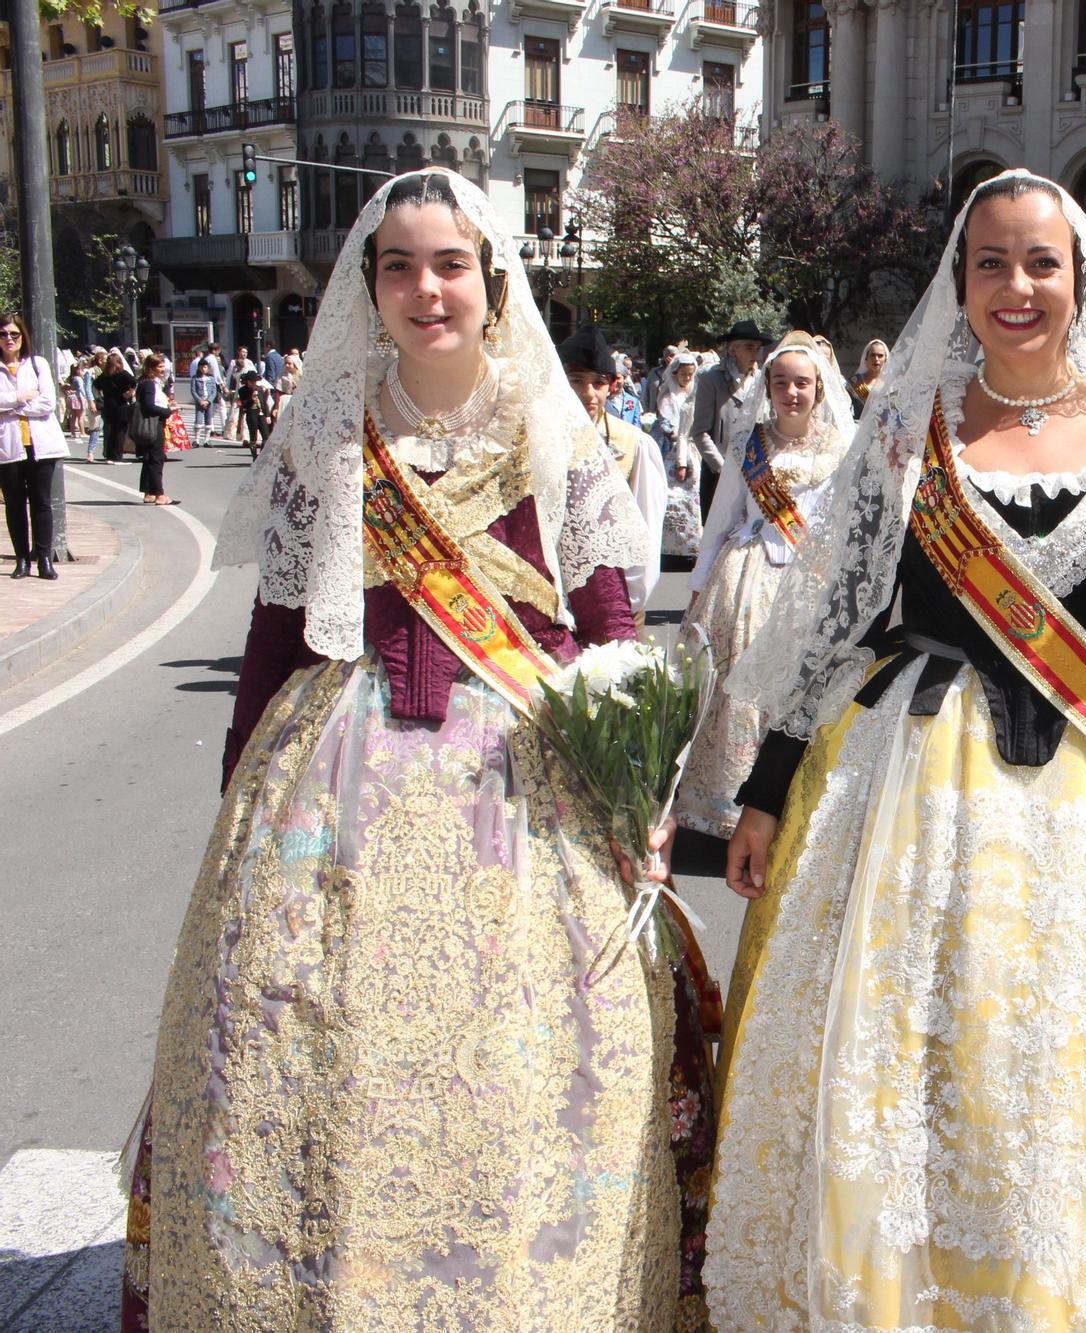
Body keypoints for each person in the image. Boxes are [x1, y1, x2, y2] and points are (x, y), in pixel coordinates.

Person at [706, 170, 1086, 1330]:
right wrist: (768, 791)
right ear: (959, 280)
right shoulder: (901, 429)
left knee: (1085, 1081)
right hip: (914, 796)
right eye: (989, 262)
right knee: (918, 1070)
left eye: (1040, 262)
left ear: (1079, 278)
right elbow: (832, 620)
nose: (1016, 285)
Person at [119, 168, 711, 1331]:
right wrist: (241, 785)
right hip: (337, 776)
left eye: (449, 265)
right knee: (314, 1048)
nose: (425, 288)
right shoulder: (327, 436)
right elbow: (276, 634)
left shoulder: (555, 431)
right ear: (370, 286)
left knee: (517, 1060)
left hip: (524, 784)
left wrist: (640, 782)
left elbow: (610, 631)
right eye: (400, 266)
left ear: (492, 286)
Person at [674, 331, 855, 846]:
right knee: (735, 692)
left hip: (805, 582)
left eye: (802, 383)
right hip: (743, 580)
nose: (792, 392)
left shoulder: (842, 448)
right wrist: (697, 585)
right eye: (782, 382)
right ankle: (728, 808)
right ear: (769, 387)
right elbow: (721, 519)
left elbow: (843, 525)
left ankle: (787, 799)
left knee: (792, 690)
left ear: (819, 387)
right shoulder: (748, 445)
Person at [560, 323, 668, 611]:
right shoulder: (540, 440)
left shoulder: (634, 443)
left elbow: (647, 526)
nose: (589, 394)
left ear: (611, 386)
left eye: (598, 383)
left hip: (614, 597)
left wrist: (628, 602)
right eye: (577, 381)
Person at [0, 312, 71, 580]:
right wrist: (21, 397)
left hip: (40, 445)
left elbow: (48, 403)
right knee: (14, 505)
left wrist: (11, 406)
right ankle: (21, 559)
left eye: (14, 334)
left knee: (42, 504)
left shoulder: (38, 364)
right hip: (8, 446)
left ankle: (43, 559)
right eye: (4, 334)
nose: (9, 339)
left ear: (23, 336)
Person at [689, 319, 771, 517]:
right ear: (733, 350)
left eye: (758, 348)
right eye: (749, 347)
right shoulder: (711, 380)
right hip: (720, 471)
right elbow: (700, 432)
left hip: (755, 470)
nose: (755, 354)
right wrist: (722, 468)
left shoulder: (763, 380)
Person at [653, 349, 705, 561]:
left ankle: (692, 544)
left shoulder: (694, 393)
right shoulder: (668, 396)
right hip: (674, 450)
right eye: (683, 374)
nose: (687, 378)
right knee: (674, 496)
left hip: (693, 449)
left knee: (693, 498)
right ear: (675, 373)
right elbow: (667, 422)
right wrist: (676, 434)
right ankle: (670, 544)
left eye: (691, 374)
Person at [131, 353, 177, 505]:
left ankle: (149, 492)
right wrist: (167, 411)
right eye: (160, 366)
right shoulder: (149, 384)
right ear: (151, 368)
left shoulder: (147, 382)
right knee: (156, 459)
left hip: (151, 423)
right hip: (153, 424)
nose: (163, 369)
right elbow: (149, 406)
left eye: (163, 366)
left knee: (149, 459)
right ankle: (159, 494)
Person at [95, 350, 135, 463]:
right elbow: (134, 381)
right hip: (121, 404)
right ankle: (117, 456)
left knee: (111, 431)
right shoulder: (122, 373)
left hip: (108, 405)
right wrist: (129, 392)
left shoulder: (105, 375)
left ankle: (109, 455)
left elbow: (96, 384)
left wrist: (104, 392)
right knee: (120, 431)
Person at [235, 366, 277, 457]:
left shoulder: (260, 389)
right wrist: (252, 398)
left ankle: (261, 455)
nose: (253, 383)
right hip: (251, 413)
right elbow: (244, 404)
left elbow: (264, 403)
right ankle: (254, 456)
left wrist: (267, 415)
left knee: (266, 436)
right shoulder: (242, 390)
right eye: (251, 381)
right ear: (247, 381)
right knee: (253, 437)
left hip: (261, 413)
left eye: (254, 381)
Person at [188, 345, 218, 445]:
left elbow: (214, 391)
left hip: (209, 402)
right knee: (198, 420)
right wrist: (200, 401)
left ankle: (207, 439)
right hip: (200, 402)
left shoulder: (211, 378)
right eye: (201, 367)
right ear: (199, 368)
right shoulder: (195, 378)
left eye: (205, 367)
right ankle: (196, 439)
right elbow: (193, 391)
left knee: (208, 420)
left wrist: (208, 401)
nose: (203, 369)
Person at [852, 336, 889, 406]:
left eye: (880, 356)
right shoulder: (856, 381)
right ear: (866, 358)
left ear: (885, 360)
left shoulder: (891, 383)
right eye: (873, 355)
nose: (876, 359)